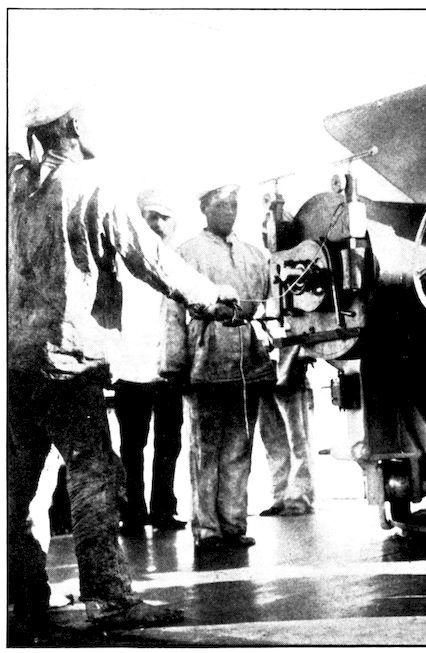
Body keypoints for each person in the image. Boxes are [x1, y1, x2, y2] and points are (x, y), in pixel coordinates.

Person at [7, 93, 239, 639]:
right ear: (72, 126)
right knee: (94, 473)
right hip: (68, 360)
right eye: (87, 119)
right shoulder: (95, 187)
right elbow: (149, 258)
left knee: (16, 484)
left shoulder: (15, 186)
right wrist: (214, 298)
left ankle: (23, 597)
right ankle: (109, 599)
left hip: (13, 360)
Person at [162, 184, 276, 553]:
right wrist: (174, 365)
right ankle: (207, 529)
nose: (229, 211)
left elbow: (272, 303)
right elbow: (171, 313)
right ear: (205, 209)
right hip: (205, 360)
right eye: (222, 205)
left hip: (248, 362)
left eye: (234, 205)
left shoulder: (254, 255)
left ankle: (233, 524)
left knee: (240, 447)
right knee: (205, 449)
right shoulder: (186, 253)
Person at [110, 189, 188, 536]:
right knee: (132, 445)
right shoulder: (123, 262)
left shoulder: (181, 263)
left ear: (174, 223)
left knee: (169, 443)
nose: (157, 224)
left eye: (164, 217)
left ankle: (164, 510)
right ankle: (132, 512)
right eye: (150, 216)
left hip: (168, 369)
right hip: (131, 367)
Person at [257, 344, 317, 516]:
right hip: (262, 373)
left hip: (290, 371)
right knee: (272, 440)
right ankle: (280, 497)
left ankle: (299, 497)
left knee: (298, 439)